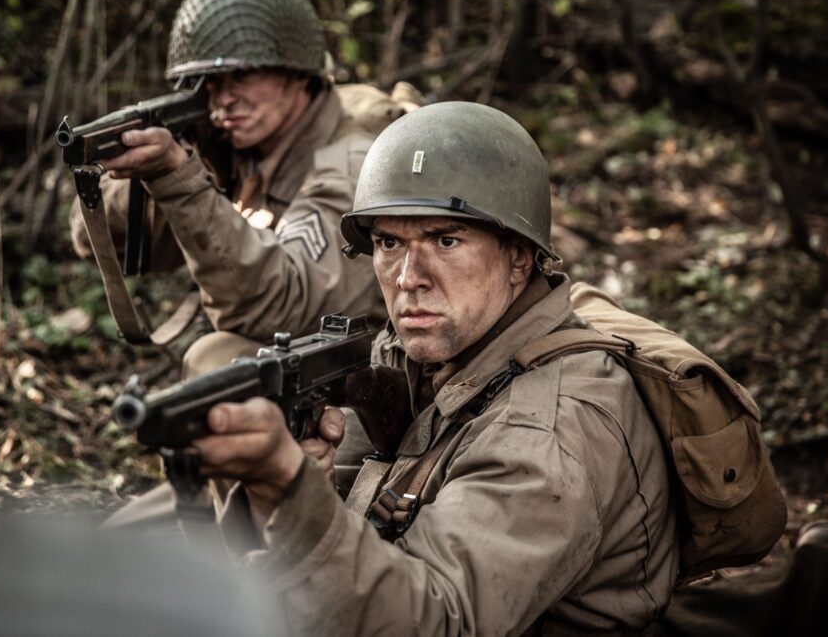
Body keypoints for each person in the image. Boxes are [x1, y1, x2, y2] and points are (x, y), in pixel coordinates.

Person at [186, 101, 681, 634]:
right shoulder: (423, 357)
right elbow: (349, 535)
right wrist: (298, 482)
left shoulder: (546, 430)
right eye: (389, 243)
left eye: (445, 240)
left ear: (519, 256)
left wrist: (294, 495)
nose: (407, 278)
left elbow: (437, 623)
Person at [68, 0, 393, 376]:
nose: (224, 99)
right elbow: (97, 241)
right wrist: (157, 170)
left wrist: (180, 179)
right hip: (302, 358)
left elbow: (287, 312)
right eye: (212, 83)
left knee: (216, 362)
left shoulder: (351, 166)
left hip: (371, 384)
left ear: (297, 73)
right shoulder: (244, 152)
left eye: (243, 74)